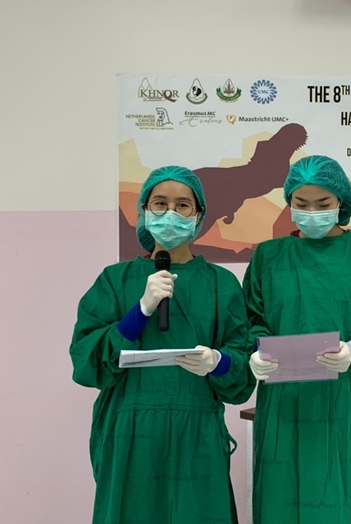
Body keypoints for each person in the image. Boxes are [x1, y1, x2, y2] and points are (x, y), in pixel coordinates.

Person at [70, 165, 254, 524]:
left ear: (198, 215)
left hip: (197, 435)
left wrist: (217, 362)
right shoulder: (115, 280)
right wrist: (140, 311)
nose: (171, 212)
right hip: (130, 434)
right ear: (144, 210)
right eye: (160, 203)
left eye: (183, 205)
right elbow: (86, 363)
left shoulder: (221, 285)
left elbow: (243, 368)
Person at [243, 155, 351, 524]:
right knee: (282, 499)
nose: (311, 213)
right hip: (283, 404)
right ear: (289, 201)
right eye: (301, 204)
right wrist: (255, 351)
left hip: (343, 403)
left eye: (323, 204)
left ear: (341, 203)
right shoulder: (268, 257)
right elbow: (250, 322)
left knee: (344, 500)